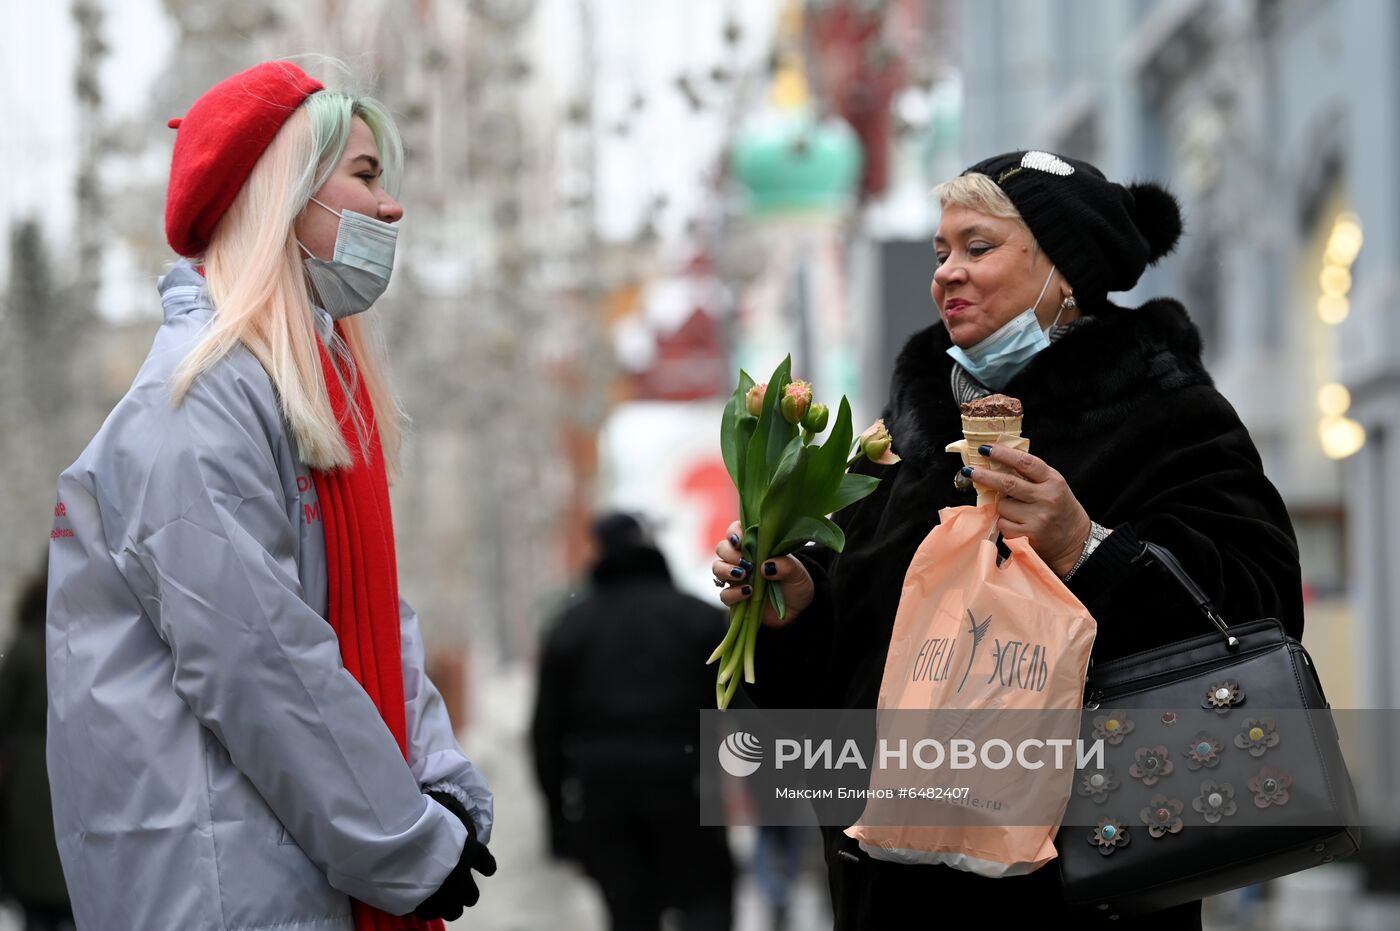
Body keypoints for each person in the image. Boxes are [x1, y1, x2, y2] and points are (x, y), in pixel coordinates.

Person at [711, 150, 1304, 929]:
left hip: (1086, 887)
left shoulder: (1167, 418)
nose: (947, 272)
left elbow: (1258, 612)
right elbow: (835, 694)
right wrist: (794, 610)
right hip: (896, 894)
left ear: (1067, 268)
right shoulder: (908, 444)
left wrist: (1089, 549)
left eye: (977, 247)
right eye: (939, 252)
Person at [46, 61, 495, 930]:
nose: (391, 207)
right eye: (365, 175)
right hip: (226, 888)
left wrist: (437, 774)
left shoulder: (289, 391)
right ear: (282, 199)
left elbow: (368, 617)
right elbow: (262, 661)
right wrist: (405, 838)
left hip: (277, 876)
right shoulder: (196, 401)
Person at [532, 513, 734, 931]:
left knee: (628, 915)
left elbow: (545, 731)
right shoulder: (698, 618)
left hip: (605, 795)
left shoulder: (572, 626)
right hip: (687, 786)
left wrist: (558, 821)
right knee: (704, 906)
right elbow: (737, 711)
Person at [0, 565, 73, 931]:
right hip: (74, 770)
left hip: (30, 781)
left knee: (36, 906)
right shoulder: (82, 647)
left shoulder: (26, 646)